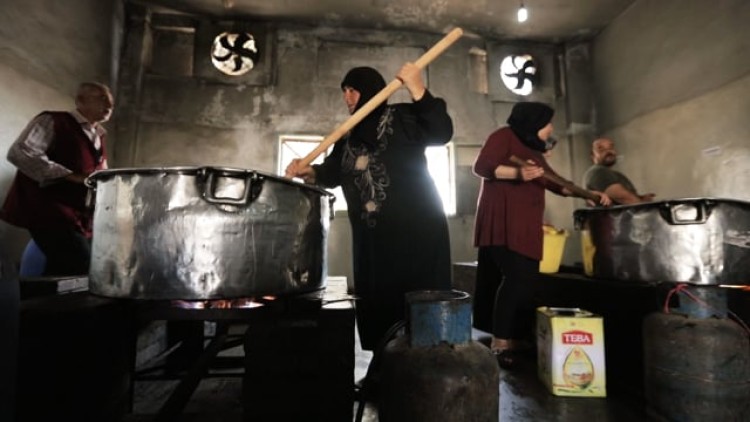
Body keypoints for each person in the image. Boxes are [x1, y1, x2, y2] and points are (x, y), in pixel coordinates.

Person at [285, 64, 453, 351]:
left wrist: (416, 87)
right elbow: (332, 173)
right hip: (374, 239)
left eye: (353, 90)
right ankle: (384, 365)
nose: (348, 98)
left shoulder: (402, 117)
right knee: (379, 298)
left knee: (419, 295)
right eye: (344, 92)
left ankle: (427, 363)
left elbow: (441, 131)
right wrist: (308, 172)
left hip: (417, 231)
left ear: (371, 91)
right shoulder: (347, 135)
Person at [472, 102, 610, 369]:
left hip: (524, 226)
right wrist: (517, 173)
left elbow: (557, 183)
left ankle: (514, 337)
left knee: (527, 281)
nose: (551, 129)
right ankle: (500, 343)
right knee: (516, 279)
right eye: (548, 123)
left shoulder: (532, 150)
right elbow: (482, 166)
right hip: (503, 222)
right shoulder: (504, 137)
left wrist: (593, 196)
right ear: (534, 122)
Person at [0, 82, 113, 276]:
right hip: (49, 212)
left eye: (111, 101)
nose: (109, 105)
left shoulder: (99, 136)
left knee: (62, 271)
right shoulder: (53, 121)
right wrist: (70, 176)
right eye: (102, 98)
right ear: (80, 101)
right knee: (82, 266)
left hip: (77, 216)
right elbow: (20, 153)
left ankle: (38, 305)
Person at [583, 137, 655, 205]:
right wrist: (644, 205)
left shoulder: (613, 174)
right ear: (592, 156)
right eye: (601, 149)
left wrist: (641, 198)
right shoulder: (597, 172)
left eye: (611, 147)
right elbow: (624, 198)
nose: (608, 151)